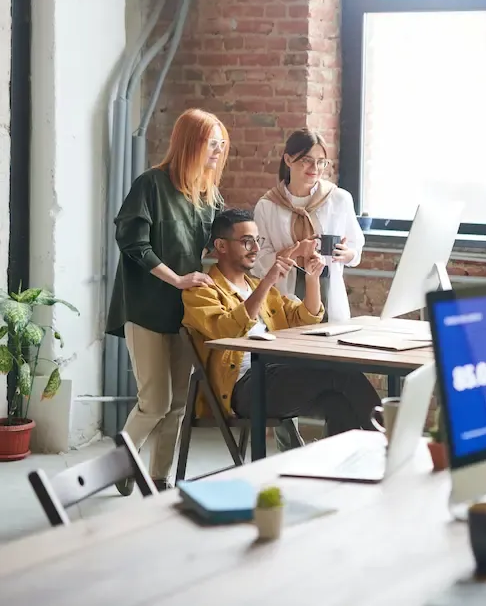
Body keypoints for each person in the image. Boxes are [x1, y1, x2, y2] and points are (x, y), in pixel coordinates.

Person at [182, 209, 382, 446]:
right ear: (221, 246)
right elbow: (225, 331)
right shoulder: (202, 291)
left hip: (273, 373)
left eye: (258, 240)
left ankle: (349, 468)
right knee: (341, 374)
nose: (256, 248)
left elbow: (304, 319)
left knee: (336, 400)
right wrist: (268, 280)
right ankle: (389, 446)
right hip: (242, 388)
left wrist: (312, 279)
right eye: (247, 241)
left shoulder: (256, 286)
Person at [106, 108, 229, 495]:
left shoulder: (209, 196)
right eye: (213, 142)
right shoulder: (151, 185)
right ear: (190, 142)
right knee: (154, 402)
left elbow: (222, 240)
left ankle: (158, 479)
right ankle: (119, 465)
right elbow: (132, 243)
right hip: (144, 309)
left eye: (222, 144)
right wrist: (176, 278)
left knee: (178, 403)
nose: (219, 150)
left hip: (185, 314)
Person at [253, 128, 364, 323]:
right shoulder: (268, 205)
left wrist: (348, 254)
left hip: (329, 291)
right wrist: (295, 251)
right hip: (284, 296)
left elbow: (355, 246)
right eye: (306, 160)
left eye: (321, 162)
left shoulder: (339, 199)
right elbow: (259, 261)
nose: (315, 168)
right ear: (288, 160)